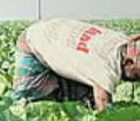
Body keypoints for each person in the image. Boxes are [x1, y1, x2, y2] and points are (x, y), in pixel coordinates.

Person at [11, 17, 140, 110]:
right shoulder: (106, 68)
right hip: (33, 42)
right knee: (29, 106)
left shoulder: (121, 41)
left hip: (55, 33)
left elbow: (134, 39)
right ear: (128, 62)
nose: (134, 81)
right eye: (136, 76)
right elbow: (103, 107)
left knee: (85, 96)